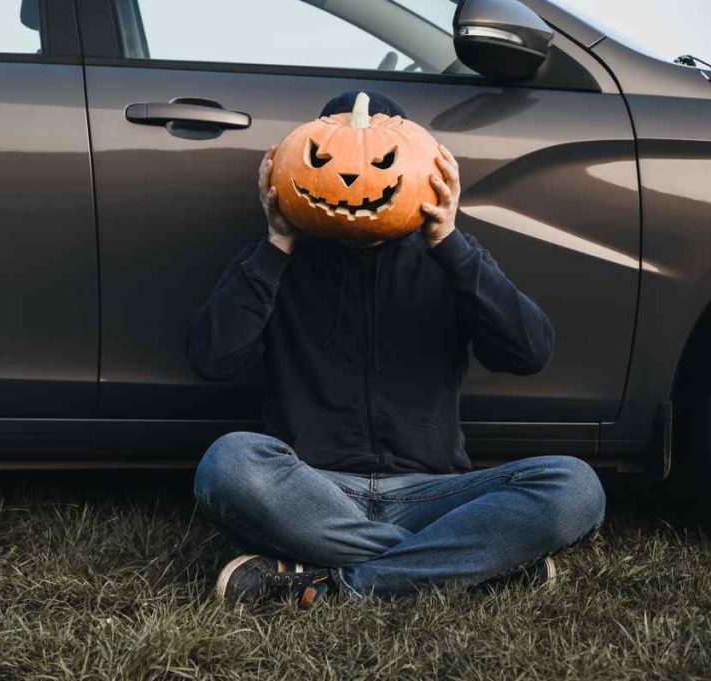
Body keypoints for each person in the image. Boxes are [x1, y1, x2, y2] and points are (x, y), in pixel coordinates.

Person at [186, 90, 606, 608]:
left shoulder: (451, 260)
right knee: (228, 463)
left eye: (382, 161)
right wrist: (276, 242)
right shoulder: (277, 261)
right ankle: (470, 568)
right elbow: (212, 359)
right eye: (325, 160)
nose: (351, 177)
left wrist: (449, 240)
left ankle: (337, 585)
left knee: (574, 485)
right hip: (314, 490)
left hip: (433, 493)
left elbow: (529, 352)